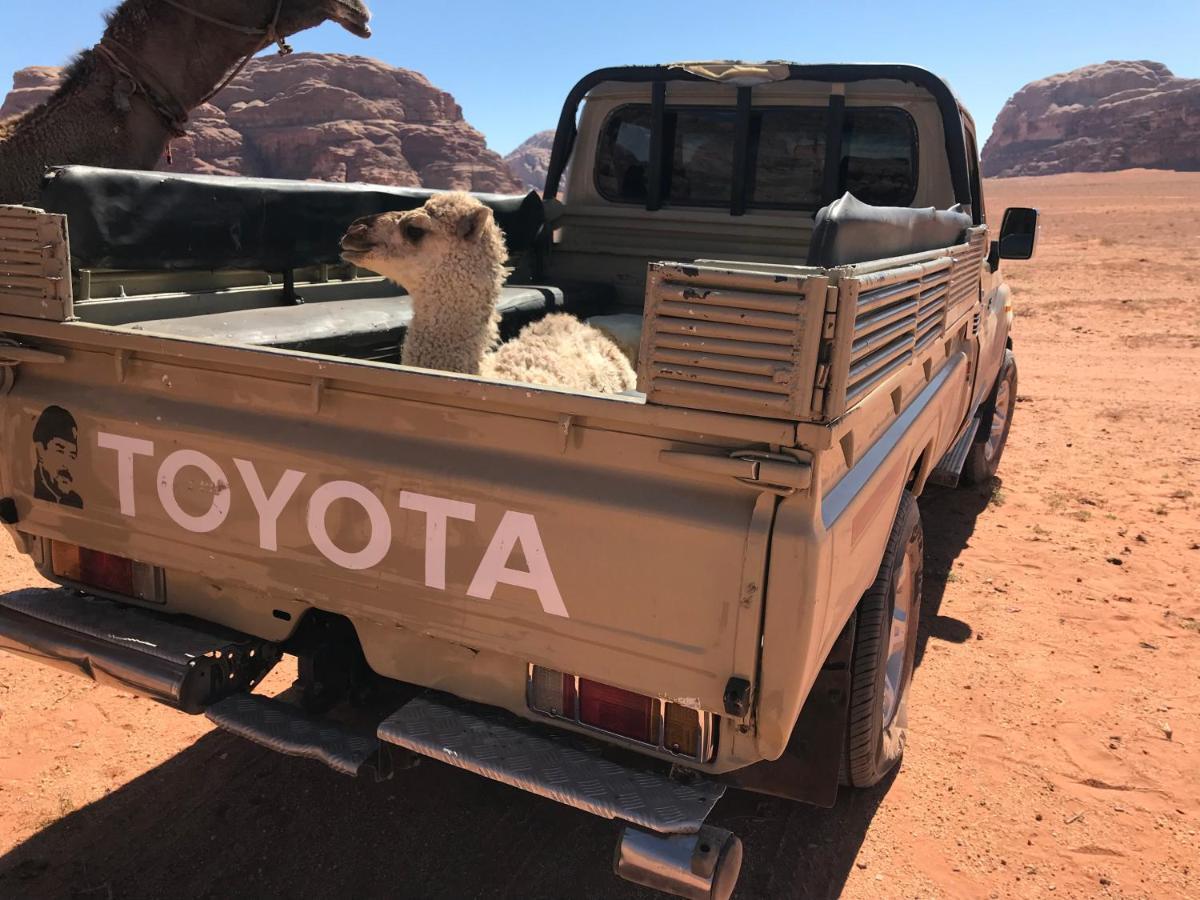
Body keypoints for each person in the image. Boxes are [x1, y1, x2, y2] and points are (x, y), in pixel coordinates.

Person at [32, 405, 83, 508]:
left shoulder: (75, 501)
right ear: (40, 449)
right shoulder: (29, 492)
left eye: (72, 455)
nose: (66, 464)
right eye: (60, 451)